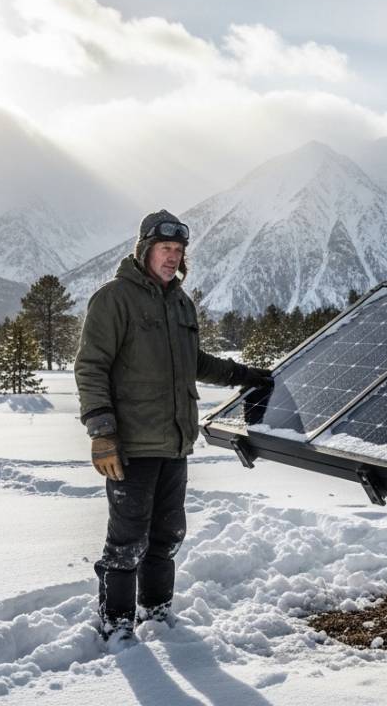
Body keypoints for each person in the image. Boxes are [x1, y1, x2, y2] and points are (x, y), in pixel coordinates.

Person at [75, 209, 272, 643]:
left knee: (167, 537)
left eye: (179, 250)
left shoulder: (180, 302)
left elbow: (194, 362)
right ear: (145, 249)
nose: (172, 257)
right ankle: (117, 623)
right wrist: (102, 432)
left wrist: (244, 375)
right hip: (131, 445)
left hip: (175, 442)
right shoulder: (114, 299)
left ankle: (158, 614)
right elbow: (91, 367)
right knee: (126, 543)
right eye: (165, 248)